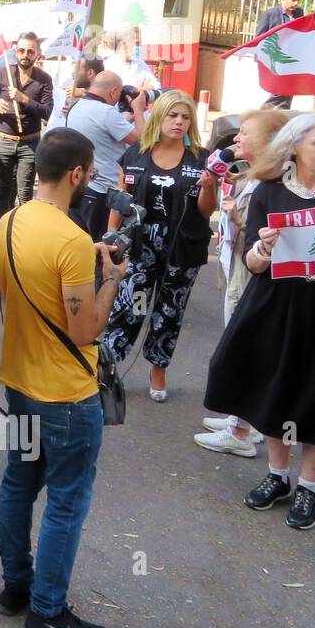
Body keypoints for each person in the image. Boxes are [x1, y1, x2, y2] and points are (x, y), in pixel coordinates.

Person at [0, 127, 128, 628]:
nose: (90, 182)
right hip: (67, 393)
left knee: (18, 483)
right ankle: (47, 611)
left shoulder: (10, 219)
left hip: (19, 380)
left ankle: (16, 588)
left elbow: (29, 290)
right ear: (75, 174)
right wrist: (111, 277)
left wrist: (79, 265)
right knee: (67, 500)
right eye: (90, 174)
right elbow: (85, 329)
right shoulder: (70, 239)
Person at [204, 114, 315, 531]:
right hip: (276, 306)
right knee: (275, 387)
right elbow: (251, 262)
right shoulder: (269, 191)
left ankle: (309, 486)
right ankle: (278, 476)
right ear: (294, 147)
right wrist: (263, 250)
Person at [101, 89, 216, 402]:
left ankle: (158, 368)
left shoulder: (202, 159)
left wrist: (209, 187)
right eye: (172, 115)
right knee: (131, 304)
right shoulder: (136, 154)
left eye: (185, 117)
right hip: (141, 242)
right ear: (159, 117)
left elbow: (207, 211)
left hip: (183, 245)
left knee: (169, 310)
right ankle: (109, 366)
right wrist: (111, 238)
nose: (178, 122)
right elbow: (120, 199)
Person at [194, 108, 290, 456]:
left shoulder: (273, 183)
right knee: (241, 346)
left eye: (244, 133)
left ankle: (240, 432)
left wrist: (237, 218)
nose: (236, 139)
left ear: (266, 141)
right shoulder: (257, 174)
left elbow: (271, 239)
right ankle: (241, 418)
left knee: (243, 348)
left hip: (250, 276)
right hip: (236, 267)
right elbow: (216, 169)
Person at [48, 71, 146, 241]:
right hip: (103, 192)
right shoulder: (106, 112)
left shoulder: (77, 107)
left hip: (81, 188)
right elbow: (142, 141)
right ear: (114, 91)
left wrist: (126, 120)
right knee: (103, 248)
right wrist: (138, 110)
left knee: (80, 247)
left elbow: (102, 131)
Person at [0, 32, 54, 220]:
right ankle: (2, 236)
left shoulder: (44, 79)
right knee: (2, 190)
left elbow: (47, 112)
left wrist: (24, 99)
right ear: (15, 51)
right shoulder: (2, 74)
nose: (25, 54)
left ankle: (23, 237)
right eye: (21, 50)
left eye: (30, 51)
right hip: (3, 140)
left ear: (37, 54)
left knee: (25, 193)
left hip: (30, 143)